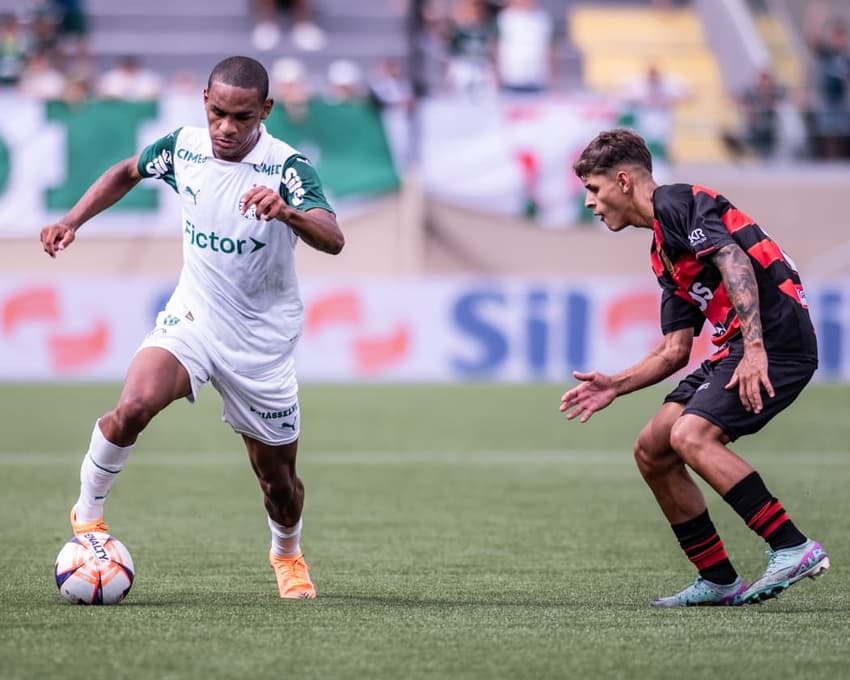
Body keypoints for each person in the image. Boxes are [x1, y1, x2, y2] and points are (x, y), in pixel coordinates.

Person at [40, 55, 344, 599]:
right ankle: (88, 516)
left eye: (242, 117)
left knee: (279, 484)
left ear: (265, 112)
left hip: (261, 346)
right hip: (195, 318)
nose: (226, 128)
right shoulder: (184, 146)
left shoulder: (287, 168)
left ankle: (287, 553)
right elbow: (126, 173)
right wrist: (71, 220)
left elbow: (333, 236)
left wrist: (287, 212)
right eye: (218, 113)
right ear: (205, 100)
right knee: (133, 407)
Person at [560, 128, 829, 607]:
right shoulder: (664, 251)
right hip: (737, 347)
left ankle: (792, 546)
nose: (589, 203)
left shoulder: (679, 202)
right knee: (653, 449)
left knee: (691, 435)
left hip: (776, 341)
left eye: (593, 190)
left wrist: (753, 350)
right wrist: (614, 385)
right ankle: (719, 580)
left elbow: (734, 259)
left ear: (623, 181)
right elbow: (674, 351)